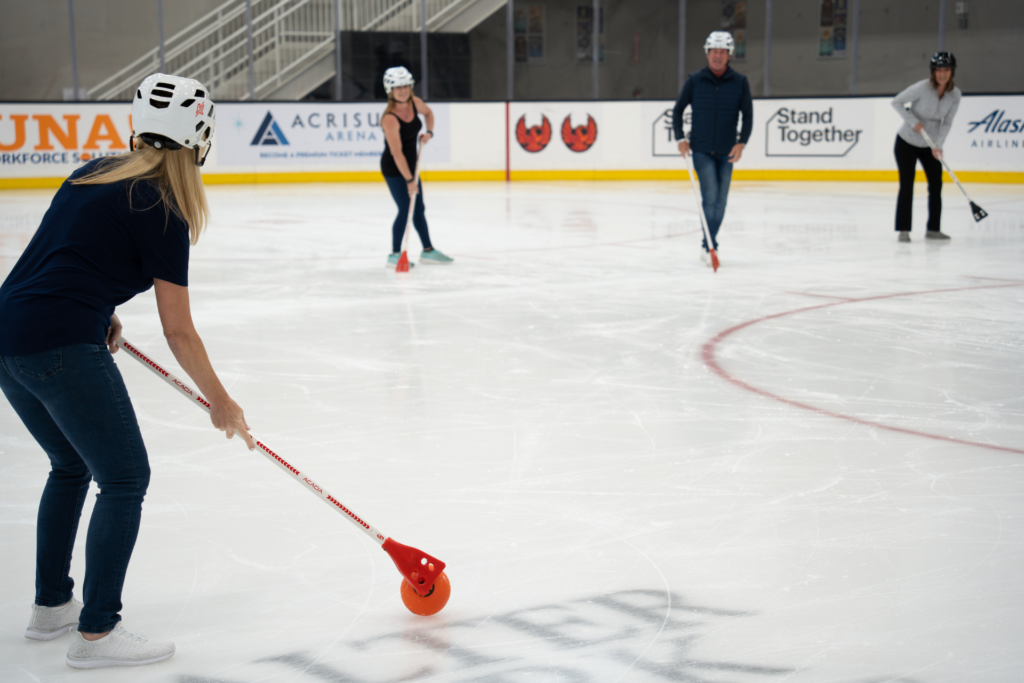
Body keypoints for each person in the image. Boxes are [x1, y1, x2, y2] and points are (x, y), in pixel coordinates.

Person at [0, 73, 253, 669]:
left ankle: (51, 607)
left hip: (11, 334)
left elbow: (66, 254)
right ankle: (96, 636)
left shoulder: (93, 171)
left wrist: (101, 310)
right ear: (201, 138)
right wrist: (221, 401)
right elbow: (178, 330)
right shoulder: (165, 206)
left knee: (69, 465)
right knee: (123, 478)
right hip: (61, 341)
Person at [673, 31, 753, 267]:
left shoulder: (740, 82)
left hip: (727, 151)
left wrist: (742, 143)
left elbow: (747, 116)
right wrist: (680, 138)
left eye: (722, 52)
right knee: (710, 198)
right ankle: (711, 247)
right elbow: (678, 110)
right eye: (714, 51)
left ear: (729, 55)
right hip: (701, 149)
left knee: (721, 201)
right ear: (707, 53)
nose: (718, 56)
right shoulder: (695, 80)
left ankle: (708, 243)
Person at [380, 66, 453, 267]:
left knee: (419, 209)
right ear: (390, 90)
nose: (402, 91)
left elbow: (429, 113)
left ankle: (428, 251)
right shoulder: (389, 118)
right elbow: (396, 153)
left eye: (405, 86)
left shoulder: (415, 103)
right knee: (405, 209)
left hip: (412, 164)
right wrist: (409, 180)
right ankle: (394, 254)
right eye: (397, 87)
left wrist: (429, 132)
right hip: (395, 168)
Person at [891, 52, 961, 242]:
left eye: (946, 69)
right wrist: (913, 121)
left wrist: (938, 144)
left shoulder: (955, 95)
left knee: (936, 185)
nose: (942, 74)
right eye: (939, 70)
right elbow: (896, 101)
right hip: (906, 143)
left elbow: (947, 122)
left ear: (952, 72)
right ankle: (903, 230)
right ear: (933, 72)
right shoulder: (922, 88)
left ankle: (933, 229)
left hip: (929, 146)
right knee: (907, 185)